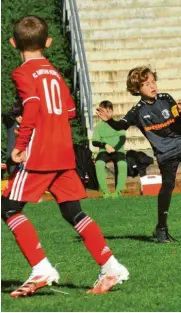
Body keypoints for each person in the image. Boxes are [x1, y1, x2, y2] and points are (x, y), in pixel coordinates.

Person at [2, 15, 129, 297]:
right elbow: (70, 112)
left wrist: (20, 145)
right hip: (63, 152)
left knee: (8, 208)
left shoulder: (22, 73)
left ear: (13, 43)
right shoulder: (56, 74)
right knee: (72, 211)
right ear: (48, 43)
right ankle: (110, 266)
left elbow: (33, 107)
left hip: (40, 153)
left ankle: (41, 268)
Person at [96, 66, 181, 243]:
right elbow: (120, 126)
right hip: (166, 153)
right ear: (137, 89)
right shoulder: (137, 111)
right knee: (168, 185)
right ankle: (161, 228)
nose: (152, 86)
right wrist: (109, 121)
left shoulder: (166, 98)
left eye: (153, 82)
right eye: (146, 84)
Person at [92, 100, 128, 199]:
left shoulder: (117, 124)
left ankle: (118, 192)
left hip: (118, 150)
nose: (106, 114)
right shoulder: (98, 127)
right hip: (104, 151)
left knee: (122, 164)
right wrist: (105, 145)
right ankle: (105, 192)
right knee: (99, 164)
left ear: (112, 111)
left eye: (109, 111)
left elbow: (122, 139)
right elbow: (94, 142)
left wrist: (114, 148)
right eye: (103, 111)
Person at [2, 101, 23, 174]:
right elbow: (4, 114)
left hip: (23, 158)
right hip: (12, 159)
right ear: (14, 116)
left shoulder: (27, 127)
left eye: (21, 115)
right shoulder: (11, 124)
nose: (20, 117)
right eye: (17, 116)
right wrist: (14, 110)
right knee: (13, 179)